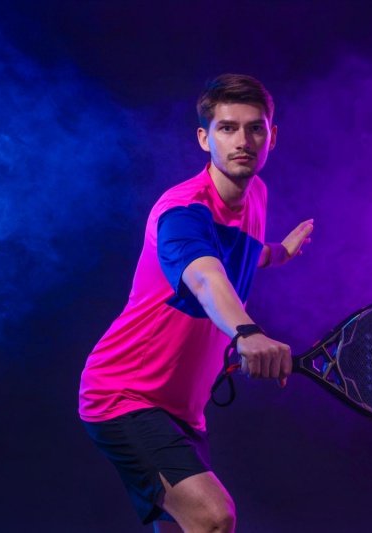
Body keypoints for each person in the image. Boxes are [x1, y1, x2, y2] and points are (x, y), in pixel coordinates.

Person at [79, 73, 313, 532]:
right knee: (213, 517)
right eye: (227, 128)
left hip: (184, 413)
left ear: (272, 137)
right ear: (204, 138)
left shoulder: (256, 195)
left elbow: (236, 249)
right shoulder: (182, 210)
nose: (242, 140)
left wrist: (276, 254)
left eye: (255, 128)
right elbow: (206, 276)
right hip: (123, 394)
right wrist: (247, 332)